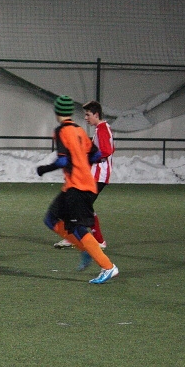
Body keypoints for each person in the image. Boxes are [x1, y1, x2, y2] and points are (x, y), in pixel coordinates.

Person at [36, 95, 119, 284]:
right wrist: (81, 161)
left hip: (79, 186)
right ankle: (85, 249)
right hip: (77, 185)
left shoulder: (62, 131)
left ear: (57, 112)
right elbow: (95, 155)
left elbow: (63, 160)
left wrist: (44, 169)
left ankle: (108, 266)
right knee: (52, 219)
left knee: (76, 226)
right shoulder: (80, 130)